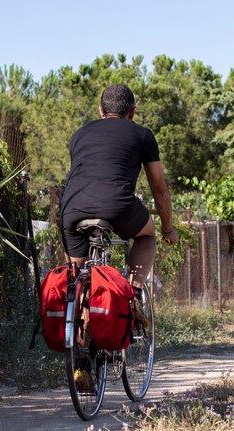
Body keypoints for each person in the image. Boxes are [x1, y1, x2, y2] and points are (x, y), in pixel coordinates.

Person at [60, 83, 179, 288]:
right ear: (132, 113)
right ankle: (132, 297)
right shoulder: (142, 135)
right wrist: (168, 231)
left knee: (76, 281)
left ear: (101, 111)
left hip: (72, 209)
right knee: (148, 235)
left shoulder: (78, 135)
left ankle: (77, 310)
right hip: (117, 206)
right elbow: (160, 190)